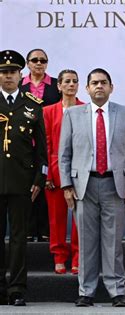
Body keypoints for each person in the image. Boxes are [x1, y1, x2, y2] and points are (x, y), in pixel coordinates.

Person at [58, 68, 125, 307]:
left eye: (103, 83)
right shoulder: (73, 114)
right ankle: (87, 291)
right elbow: (64, 154)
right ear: (87, 88)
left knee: (113, 242)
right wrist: (66, 185)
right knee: (86, 242)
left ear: (111, 87)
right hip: (83, 185)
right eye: (94, 83)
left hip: (115, 185)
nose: (99, 87)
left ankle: (117, 291)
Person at [0, 50, 48, 306]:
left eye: (13, 72)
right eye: (4, 72)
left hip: (22, 182)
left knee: (19, 238)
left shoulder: (32, 105)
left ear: (21, 75)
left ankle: (16, 289)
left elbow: (42, 149)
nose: (8, 76)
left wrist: (40, 180)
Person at [44, 69, 84, 275]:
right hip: (55, 170)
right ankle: (59, 256)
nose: (71, 85)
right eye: (67, 81)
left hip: (80, 171)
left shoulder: (86, 109)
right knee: (56, 217)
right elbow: (46, 145)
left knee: (80, 217)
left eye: (74, 81)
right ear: (58, 86)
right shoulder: (48, 111)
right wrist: (48, 175)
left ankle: (78, 256)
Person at [20, 48, 60, 242]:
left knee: (46, 185)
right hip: (24, 143)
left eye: (42, 60)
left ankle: (45, 230)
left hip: (49, 143)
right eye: (34, 60)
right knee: (26, 184)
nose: (38, 63)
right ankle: (28, 229)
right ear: (27, 63)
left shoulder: (55, 86)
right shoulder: (19, 84)